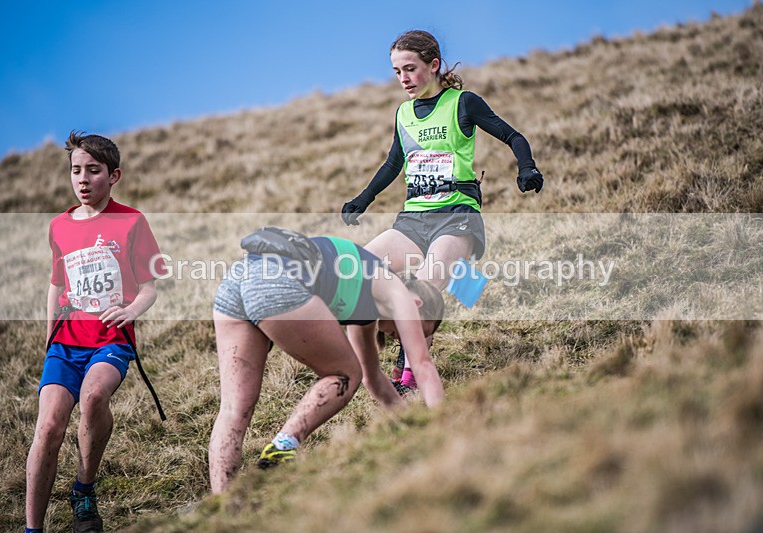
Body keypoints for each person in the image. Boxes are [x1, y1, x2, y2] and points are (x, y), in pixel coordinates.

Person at [341, 29, 544, 391]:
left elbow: (513, 136)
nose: (404, 79)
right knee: (358, 269)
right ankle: (359, 358)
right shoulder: (404, 113)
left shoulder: (463, 103)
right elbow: (393, 163)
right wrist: (364, 198)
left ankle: (410, 375)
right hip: (413, 220)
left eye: (410, 68)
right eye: (397, 71)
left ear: (433, 65)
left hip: (456, 216)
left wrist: (527, 167)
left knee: (425, 287)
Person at [208, 227, 445, 493]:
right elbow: (422, 364)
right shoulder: (396, 291)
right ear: (417, 303)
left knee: (233, 409)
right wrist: (441, 425)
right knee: (344, 374)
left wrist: (410, 422)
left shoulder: (365, 312)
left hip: (240, 278)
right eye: (418, 328)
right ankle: (281, 448)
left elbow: (372, 378)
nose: (404, 338)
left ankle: (222, 501)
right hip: (276, 279)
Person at [25, 131, 166, 533]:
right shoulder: (59, 226)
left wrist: (130, 310)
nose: (83, 179)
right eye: (75, 171)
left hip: (111, 339)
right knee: (49, 426)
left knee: (93, 395)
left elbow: (150, 286)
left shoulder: (132, 221)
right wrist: (51, 332)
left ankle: (84, 490)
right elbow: (56, 282)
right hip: (66, 343)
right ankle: (32, 528)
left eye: (93, 171)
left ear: (114, 175)